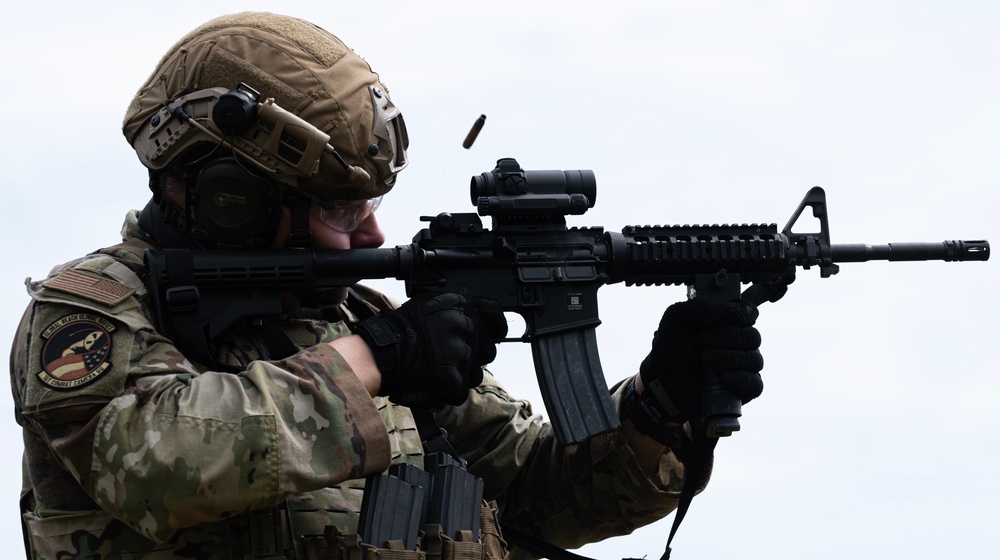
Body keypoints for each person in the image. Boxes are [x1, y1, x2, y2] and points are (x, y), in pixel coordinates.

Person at [10, 12, 769, 559]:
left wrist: (660, 407)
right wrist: (374, 360)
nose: (371, 236)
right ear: (231, 201)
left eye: (371, 205)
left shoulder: (353, 316)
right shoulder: (93, 312)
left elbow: (540, 489)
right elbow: (158, 464)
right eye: (342, 209)